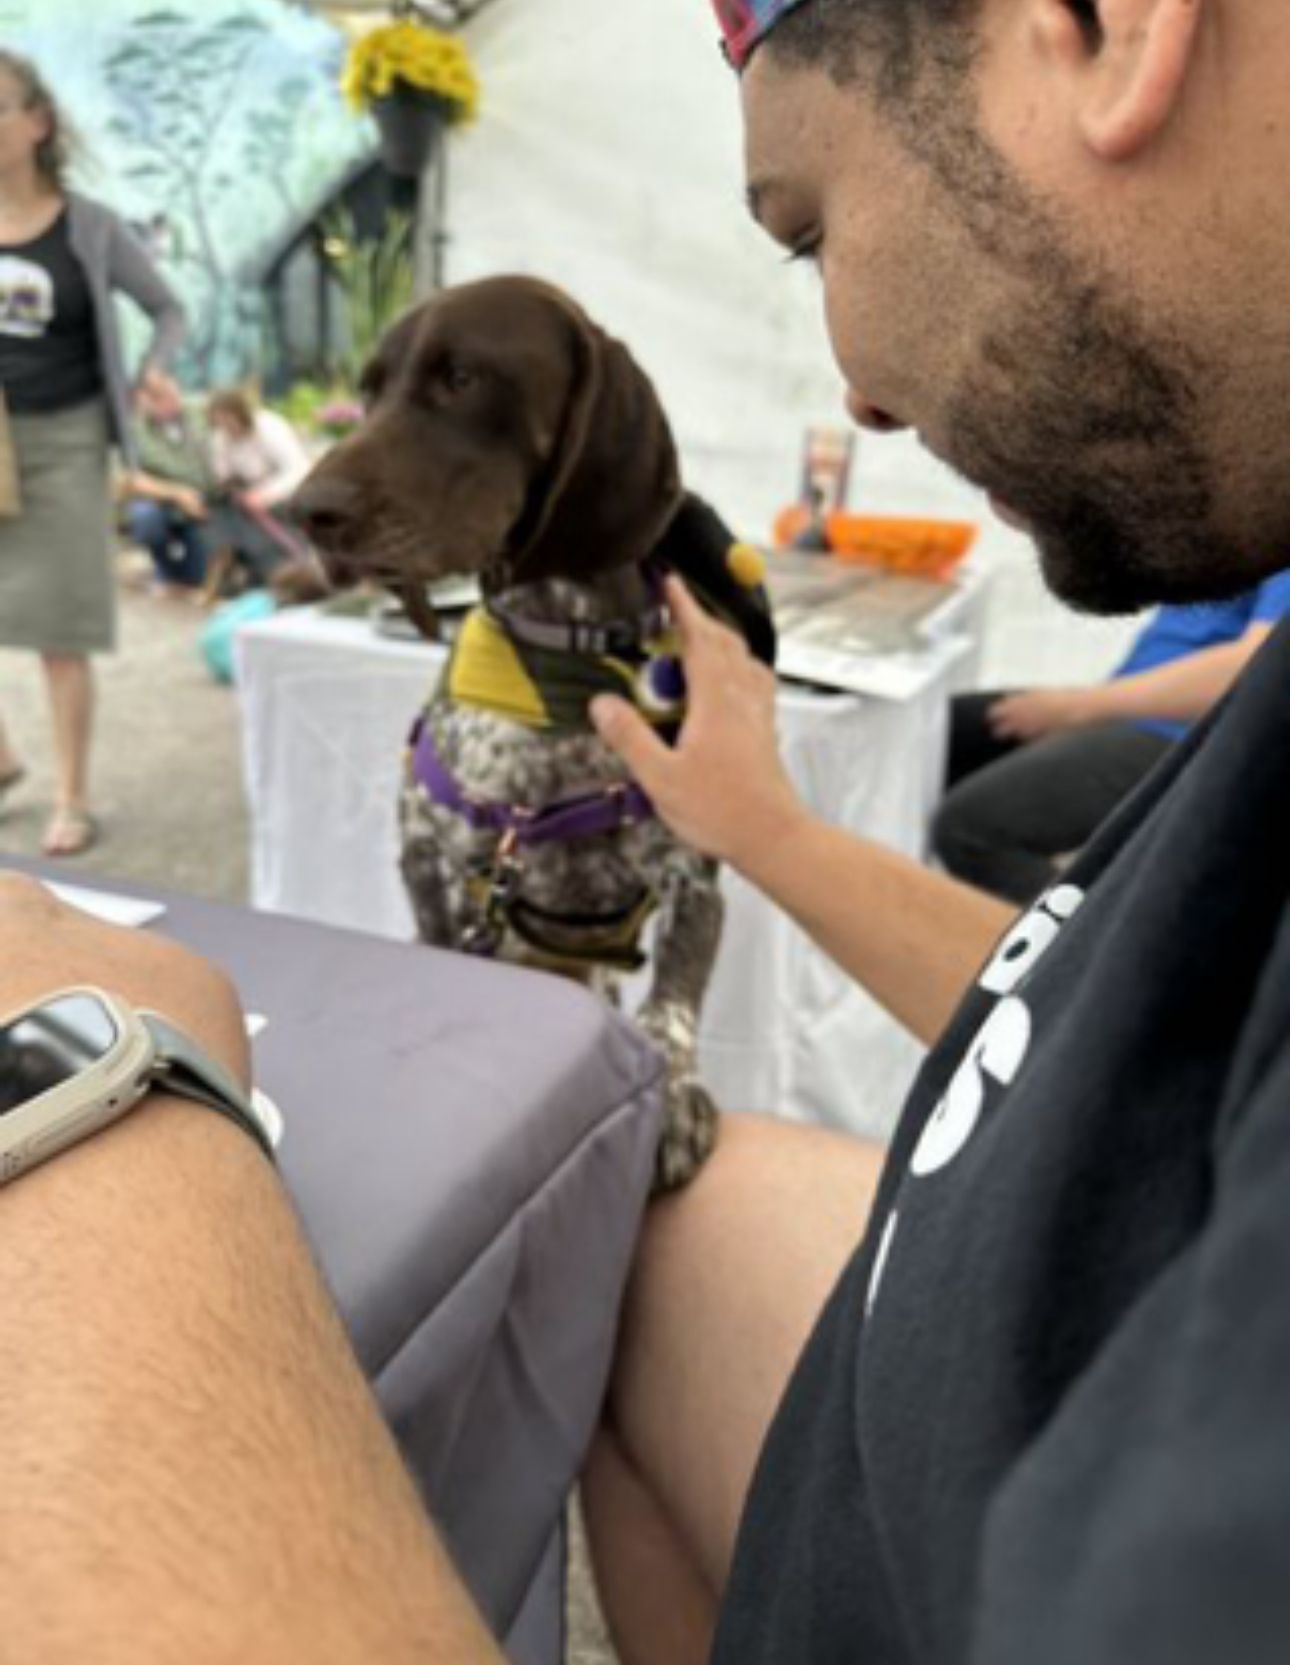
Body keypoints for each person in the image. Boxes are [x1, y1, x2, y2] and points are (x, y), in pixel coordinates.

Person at [6, 2, 1290, 1662]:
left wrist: (107, 1144)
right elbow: (1121, 1013)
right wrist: (766, 831)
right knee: (618, 1205)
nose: (856, 393)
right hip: (983, 1330)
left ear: (1105, 25)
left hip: (977, 1494)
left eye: (809, 230)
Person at [0, 50, 184, 857]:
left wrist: (154, 373)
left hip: (67, 437)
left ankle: (72, 796)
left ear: (39, 123)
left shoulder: (93, 227)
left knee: (61, 626)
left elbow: (167, 309)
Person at [934, 572, 1290, 901]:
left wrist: (1077, 708)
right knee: (941, 733)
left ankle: (1087, 943)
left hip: (1183, 736)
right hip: (1128, 711)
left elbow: (1255, 666)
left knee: (973, 827)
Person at [121, 367, 217, 596]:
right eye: (162, 398)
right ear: (144, 400)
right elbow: (130, 480)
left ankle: (189, 570)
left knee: (197, 577)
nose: (173, 403)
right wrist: (178, 494)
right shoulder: (134, 431)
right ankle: (165, 568)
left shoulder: (201, 414)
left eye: (174, 395)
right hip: (165, 503)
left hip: (208, 501)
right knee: (144, 517)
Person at [204, 388, 310, 589]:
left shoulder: (270, 429)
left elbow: (298, 468)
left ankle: (288, 567)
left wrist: (267, 495)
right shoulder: (221, 438)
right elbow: (223, 474)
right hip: (248, 497)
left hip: (283, 492)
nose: (226, 429)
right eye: (220, 424)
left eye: (229, 422)